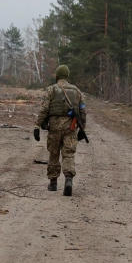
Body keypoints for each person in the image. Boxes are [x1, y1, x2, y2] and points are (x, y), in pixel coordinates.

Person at [34, 65, 87, 196]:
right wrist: (82, 128)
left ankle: (53, 183)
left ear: (57, 75)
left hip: (54, 127)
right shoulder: (77, 91)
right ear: (67, 75)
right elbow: (83, 111)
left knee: (54, 153)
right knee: (68, 154)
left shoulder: (51, 89)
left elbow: (44, 109)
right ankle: (68, 179)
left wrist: (37, 125)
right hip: (70, 127)